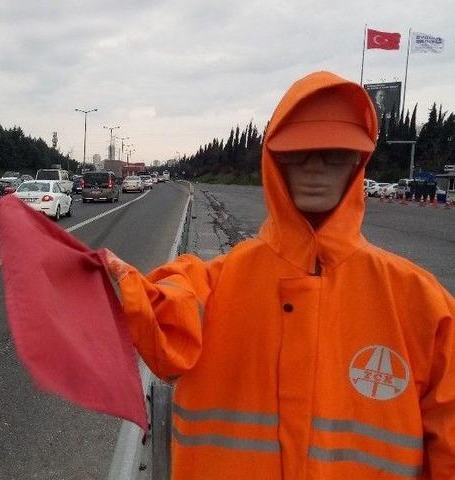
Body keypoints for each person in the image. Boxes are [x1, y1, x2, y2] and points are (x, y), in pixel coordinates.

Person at [103, 72, 455, 479]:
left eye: (334, 154)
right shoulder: (214, 282)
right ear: (274, 160)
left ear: (359, 162)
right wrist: (126, 290)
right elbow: (167, 324)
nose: (315, 168)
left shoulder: (422, 305)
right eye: (298, 153)